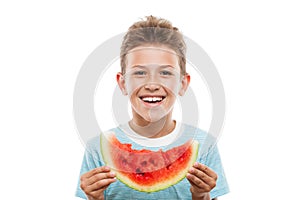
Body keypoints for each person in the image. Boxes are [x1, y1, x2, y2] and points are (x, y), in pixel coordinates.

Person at [76, 16, 229, 200]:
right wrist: (94, 198)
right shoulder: (98, 147)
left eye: (165, 73)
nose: (152, 84)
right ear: (123, 83)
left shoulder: (204, 144)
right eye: (140, 73)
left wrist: (202, 195)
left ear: (183, 83)